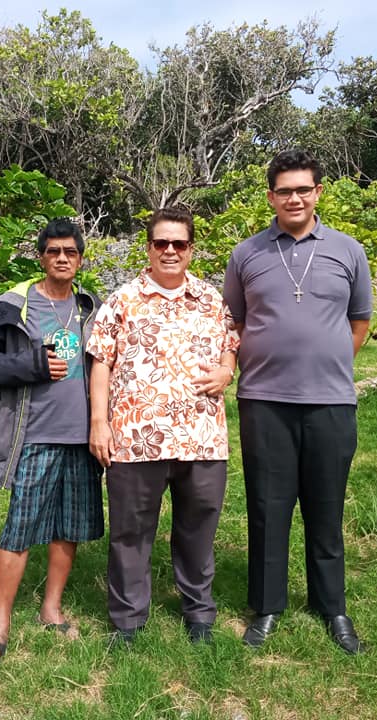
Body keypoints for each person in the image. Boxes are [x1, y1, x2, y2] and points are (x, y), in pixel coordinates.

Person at [222, 149, 372, 655]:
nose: (294, 198)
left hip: (331, 401)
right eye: (284, 191)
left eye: (303, 189)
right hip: (264, 400)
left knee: (326, 507)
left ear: (318, 193)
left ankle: (332, 607)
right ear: (271, 197)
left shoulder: (348, 251)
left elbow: (359, 322)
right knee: (268, 507)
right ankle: (267, 606)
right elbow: (235, 323)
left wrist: (326, 360)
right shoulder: (247, 254)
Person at [87, 207, 239, 646]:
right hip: (135, 437)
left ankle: (199, 613)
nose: (170, 251)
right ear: (149, 248)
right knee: (130, 532)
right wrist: (99, 423)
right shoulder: (123, 300)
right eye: (161, 243)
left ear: (191, 249)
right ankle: (128, 620)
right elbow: (101, 362)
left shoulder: (211, 299)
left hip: (201, 437)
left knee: (199, 529)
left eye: (179, 243)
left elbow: (231, 344)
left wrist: (227, 369)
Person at [0, 218, 103, 665]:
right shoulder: (13, 307)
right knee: (20, 528)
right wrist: (32, 366)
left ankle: (51, 609)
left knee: (69, 527)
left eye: (70, 252)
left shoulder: (90, 308)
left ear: (80, 259)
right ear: (41, 257)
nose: (62, 258)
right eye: (53, 251)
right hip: (34, 435)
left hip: (80, 438)